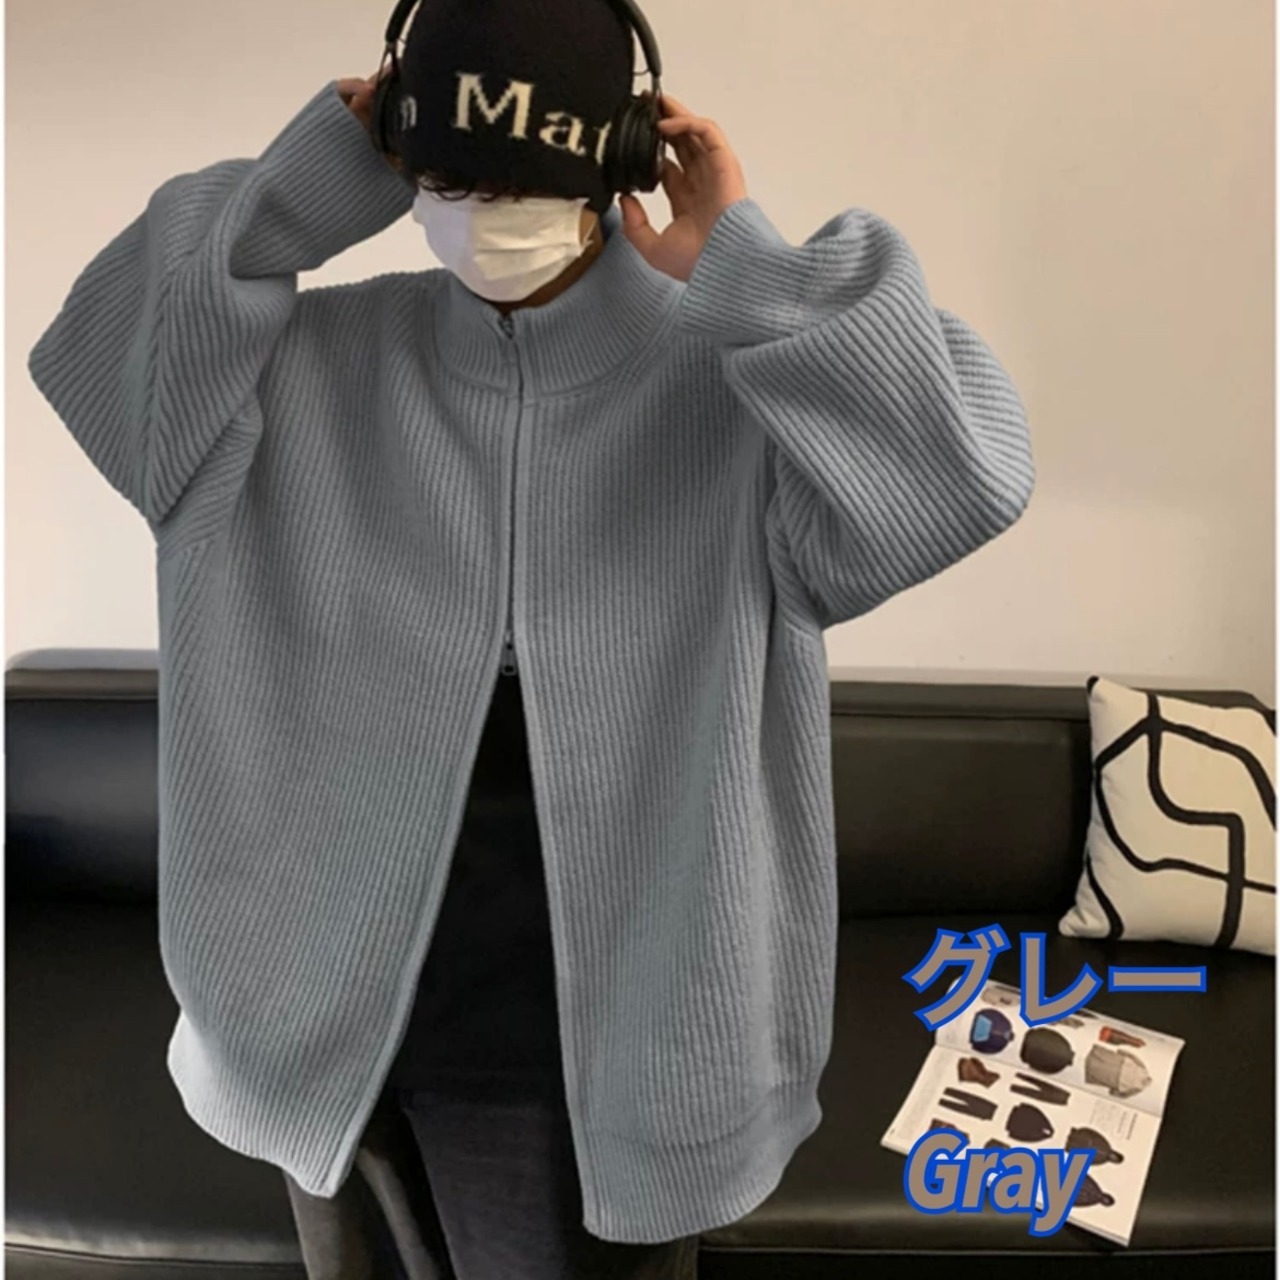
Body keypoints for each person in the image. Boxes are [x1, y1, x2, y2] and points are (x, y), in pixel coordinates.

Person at [25, 0, 1035, 1276]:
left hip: (613, 1064)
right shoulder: (287, 374)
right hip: (319, 1038)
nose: (480, 215)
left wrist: (751, 270)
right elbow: (97, 350)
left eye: (517, 184)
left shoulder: (743, 388)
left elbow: (962, 474)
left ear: (618, 165)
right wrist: (294, 193)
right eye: (447, 179)